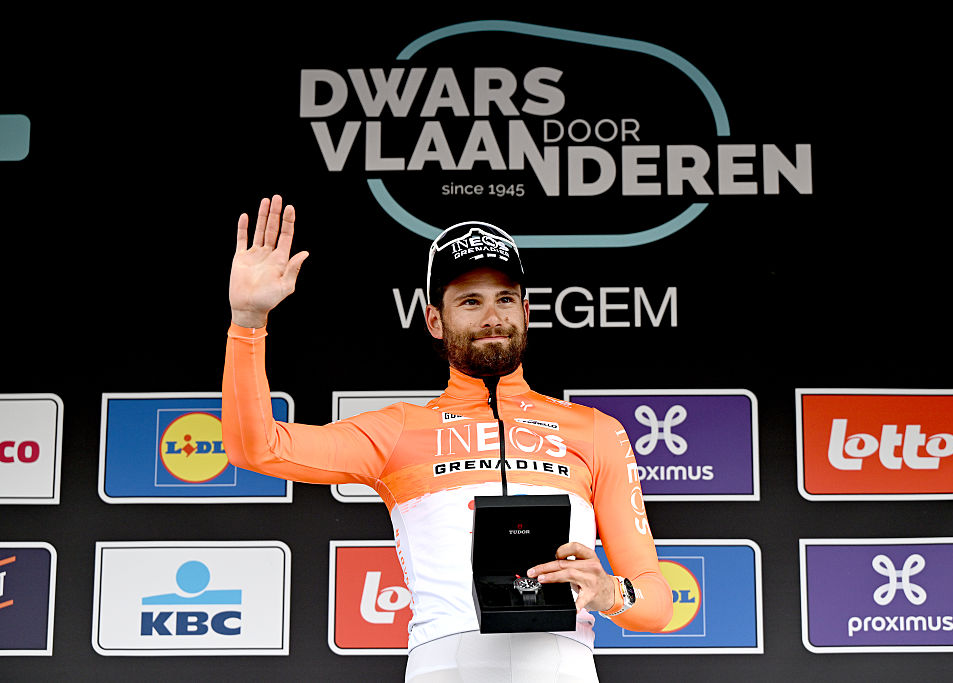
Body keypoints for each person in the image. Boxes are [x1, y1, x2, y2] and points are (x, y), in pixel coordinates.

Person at [222, 195, 671, 681]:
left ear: (526, 311)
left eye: (504, 299)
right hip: (446, 664)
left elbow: (658, 605)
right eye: (470, 301)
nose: (492, 317)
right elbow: (257, 447)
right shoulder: (398, 430)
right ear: (436, 320)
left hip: (564, 662)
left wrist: (611, 594)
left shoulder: (595, 431)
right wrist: (248, 322)